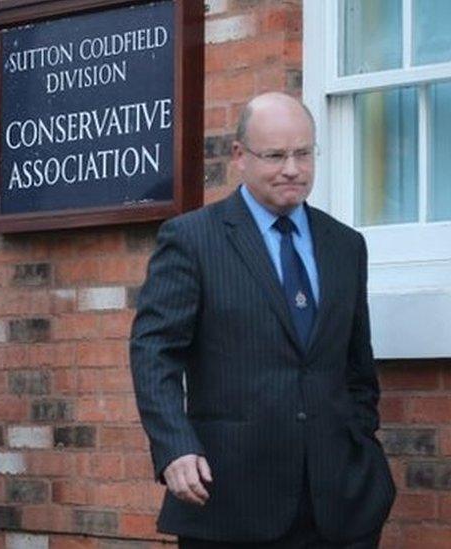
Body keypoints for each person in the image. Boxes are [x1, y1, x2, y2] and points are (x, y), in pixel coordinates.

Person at [130, 92, 395, 547]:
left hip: (341, 507)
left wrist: (360, 444)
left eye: (303, 154)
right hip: (232, 503)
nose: (292, 168)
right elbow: (154, 353)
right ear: (239, 157)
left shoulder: (345, 245)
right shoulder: (193, 239)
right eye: (275, 155)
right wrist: (174, 446)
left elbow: (357, 367)